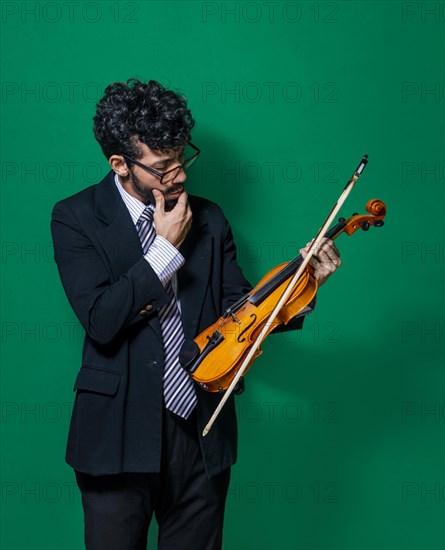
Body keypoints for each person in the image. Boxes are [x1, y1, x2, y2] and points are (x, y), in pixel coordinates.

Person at [50, 78, 342, 550]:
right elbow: (101, 320)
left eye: (183, 159)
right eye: (164, 168)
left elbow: (240, 315)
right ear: (120, 164)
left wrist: (301, 287)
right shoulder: (75, 217)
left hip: (201, 430)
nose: (180, 176)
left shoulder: (211, 218)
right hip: (116, 436)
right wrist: (164, 249)